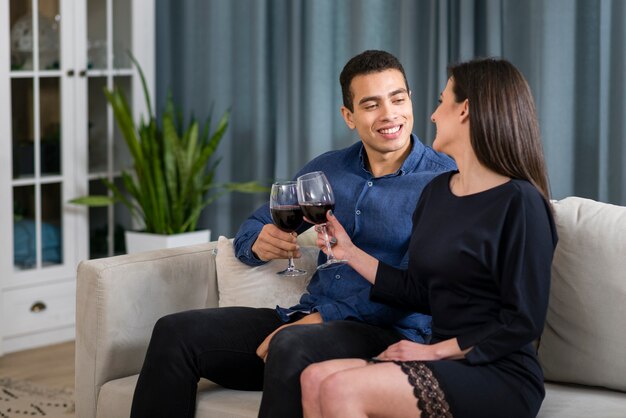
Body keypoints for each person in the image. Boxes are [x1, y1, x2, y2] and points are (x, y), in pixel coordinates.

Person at [130, 50, 456, 418]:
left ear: (410, 100)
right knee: (175, 331)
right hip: (305, 321)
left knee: (292, 343)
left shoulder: (444, 180)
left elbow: (416, 288)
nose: (389, 115)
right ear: (348, 116)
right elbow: (254, 225)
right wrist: (257, 241)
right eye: (371, 105)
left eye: (397, 99)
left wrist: (319, 320)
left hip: (387, 334)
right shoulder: (329, 169)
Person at [300, 58, 558, 418]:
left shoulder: (520, 202)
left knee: (340, 387)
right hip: (441, 359)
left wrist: (433, 351)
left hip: (499, 371)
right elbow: (420, 292)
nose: (433, 115)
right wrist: (351, 253)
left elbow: (522, 321)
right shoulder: (438, 191)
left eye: (441, 101)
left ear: (465, 110)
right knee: (314, 378)